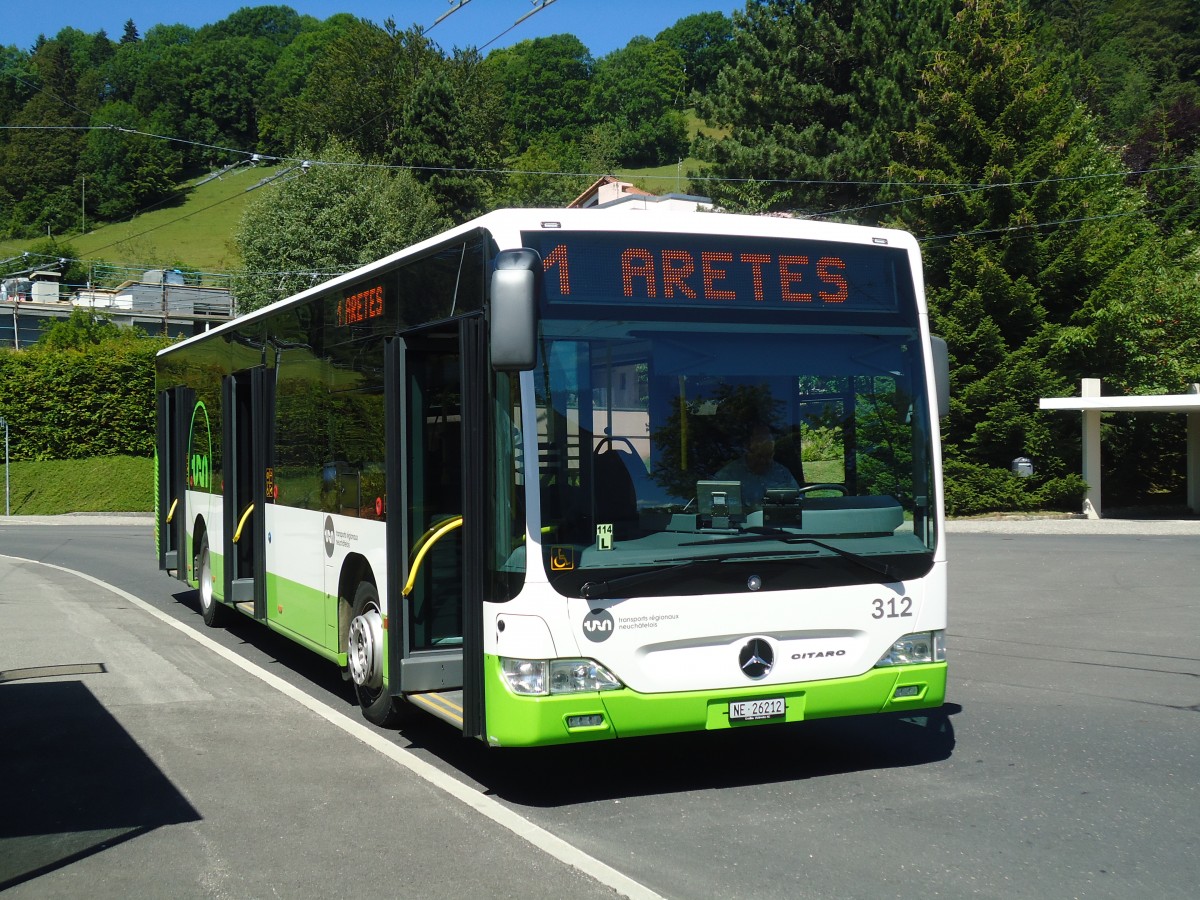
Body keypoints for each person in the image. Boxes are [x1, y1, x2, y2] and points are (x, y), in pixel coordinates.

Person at [715, 422, 800, 505]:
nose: (764, 461)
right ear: (747, 450)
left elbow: (798, 500)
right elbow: (712, 504)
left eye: (769, 456)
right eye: (760, 456)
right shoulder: (729, 475)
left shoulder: (782, 474)